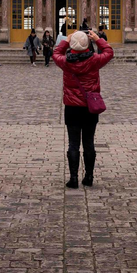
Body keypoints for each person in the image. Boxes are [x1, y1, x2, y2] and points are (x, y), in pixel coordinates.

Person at [53, 29, 114, 188]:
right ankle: (89, 176)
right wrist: (98, 39)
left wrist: (67, 40)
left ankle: (73, 178)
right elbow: (109, 51)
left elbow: (56, 52)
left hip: (72, 108)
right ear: (88, 44)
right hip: (89, 107)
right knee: (89, 143)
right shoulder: (94, 60)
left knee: (73, 143)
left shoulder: (65, 62)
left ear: (71, 45)